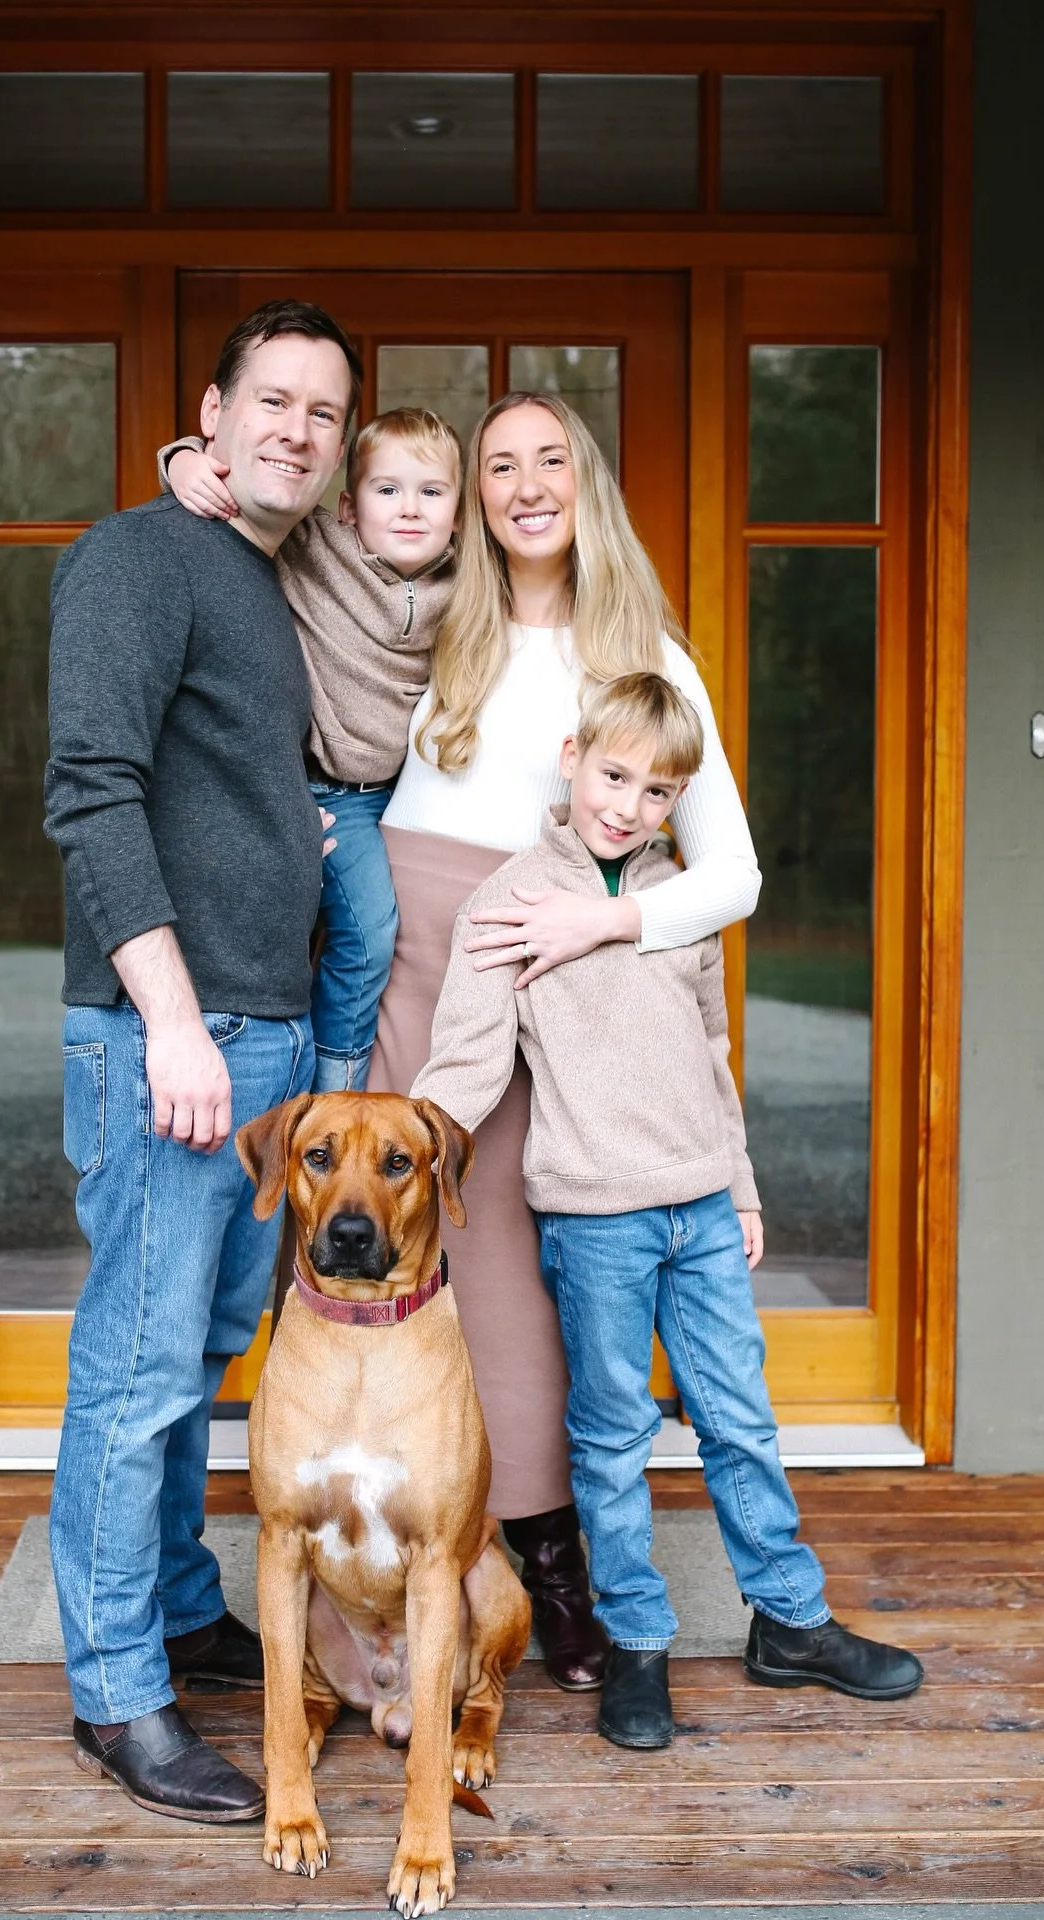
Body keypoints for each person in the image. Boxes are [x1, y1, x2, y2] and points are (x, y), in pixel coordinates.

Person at [411, 672, 924, 1750]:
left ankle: (789, 1619)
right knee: (609, 1436)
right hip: (597, 1219)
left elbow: (711, 1055)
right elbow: (464, 1065)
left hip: (698, 1207)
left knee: (740, 1419)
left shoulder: (677, 902)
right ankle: (636, 1642)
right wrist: (392, 1151)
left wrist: (738, 1184)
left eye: (658, 792)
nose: (630, 804)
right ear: (571, 757)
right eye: (613, 775)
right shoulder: (506, 907)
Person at [368, 391, 762, 1692]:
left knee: (540, 1280)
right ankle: (403, 1549)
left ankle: (550, 1551)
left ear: (585, 482)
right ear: (475, 495)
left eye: (552, 458)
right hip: (424, 969)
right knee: (419, 1255)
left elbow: (733, 876)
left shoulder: (643, 647)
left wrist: (601, 927)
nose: (526, 483)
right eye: (499, 465)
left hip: (567, 980)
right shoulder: (431, 623)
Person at [43, 299, 358, 1822]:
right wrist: (169, 1016)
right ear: (213, 416)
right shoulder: (137, 558)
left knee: (202, 1356)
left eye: (325, 415)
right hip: (182, 1037)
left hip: (267, 1041)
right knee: (138, 1368)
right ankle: (116, 1696)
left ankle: (174, 1602)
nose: (300, 431)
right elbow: (91, 792)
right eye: (276, 402)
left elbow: (202, 776)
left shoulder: (252, 574)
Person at [159, 408, 460, 1090]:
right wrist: (181, 460)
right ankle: (339, 1086)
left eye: (432, 492)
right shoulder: (318, 545)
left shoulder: (466, 582)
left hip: (409, 796)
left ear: (457, 511)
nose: (410, 508)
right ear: (350, 507)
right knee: (368, 933)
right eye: (388, 491)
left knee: (430, 944)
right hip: (331, 792)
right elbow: (240, 488)